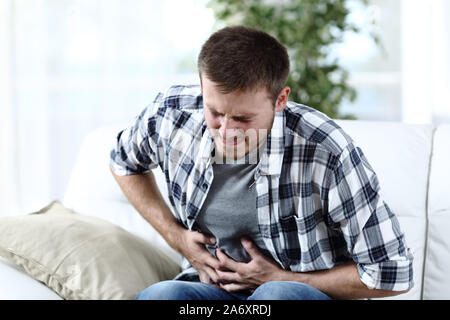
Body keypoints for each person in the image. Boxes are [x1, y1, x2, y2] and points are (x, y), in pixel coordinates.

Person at [109, 26, 413, 300]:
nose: (226, 132)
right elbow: (123, 163)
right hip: (212, 292)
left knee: (276, 294)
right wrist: (177, 239)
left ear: (280, 100)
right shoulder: (171, 114)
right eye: (214, 112)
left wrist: (283, 278)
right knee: (163, 296)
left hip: (297, 293)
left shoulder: (327, 150)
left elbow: (393, 273)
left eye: (242, 118)